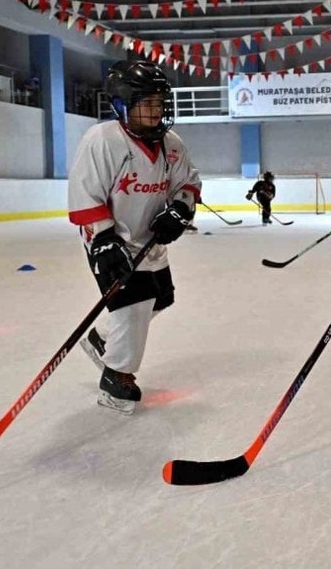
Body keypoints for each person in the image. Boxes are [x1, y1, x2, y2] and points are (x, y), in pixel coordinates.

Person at [67, 59, 201, 414]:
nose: (156, 112)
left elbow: (188, 183)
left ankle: (103, 339)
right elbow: (85, 193)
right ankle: (116, 377)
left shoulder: (172, 144)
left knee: (161, 298)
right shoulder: (102, 140)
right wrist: (103, 239)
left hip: (151, 239)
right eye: (147, 104)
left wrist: (180, 209)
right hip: (113, 239)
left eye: (159, 103)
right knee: (134, 305)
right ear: (122, 105)